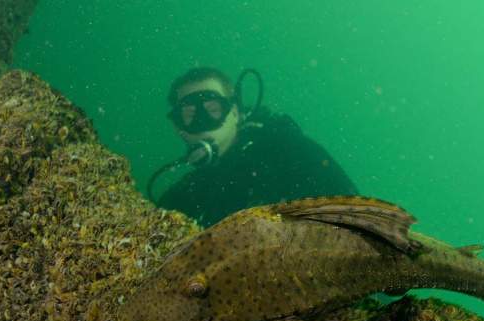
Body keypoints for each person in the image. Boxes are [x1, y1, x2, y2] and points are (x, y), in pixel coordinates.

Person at [153, 67, 358, 225]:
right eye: (189, 115)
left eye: (213, 110)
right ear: (178, 127)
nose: (201, 121)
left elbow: (353, 218)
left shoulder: (290, 154)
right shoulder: (177, 200)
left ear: (235, 113)